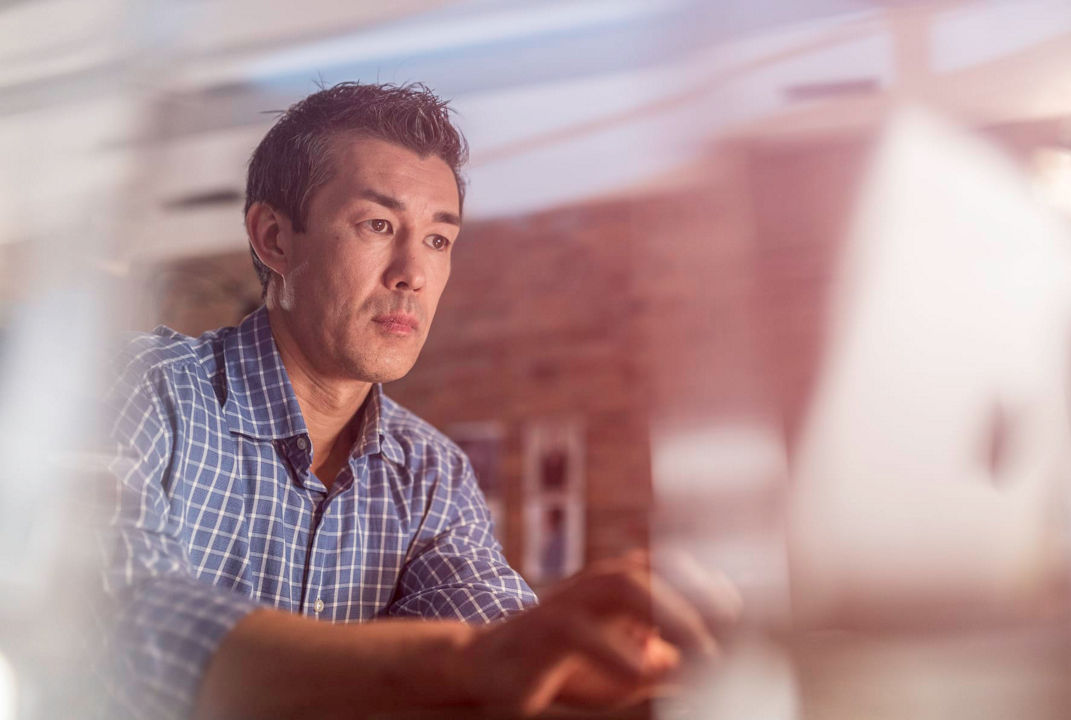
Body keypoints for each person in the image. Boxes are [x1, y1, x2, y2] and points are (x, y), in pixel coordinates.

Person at [100, 82, 736, 720]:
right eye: (377, 225)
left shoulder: (432, 473)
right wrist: (469, 663)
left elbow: (500, 643)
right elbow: (121, 622)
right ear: (274, 238)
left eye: (438, 239)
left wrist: (598, 673)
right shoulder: (142, 389)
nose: (413, 273)